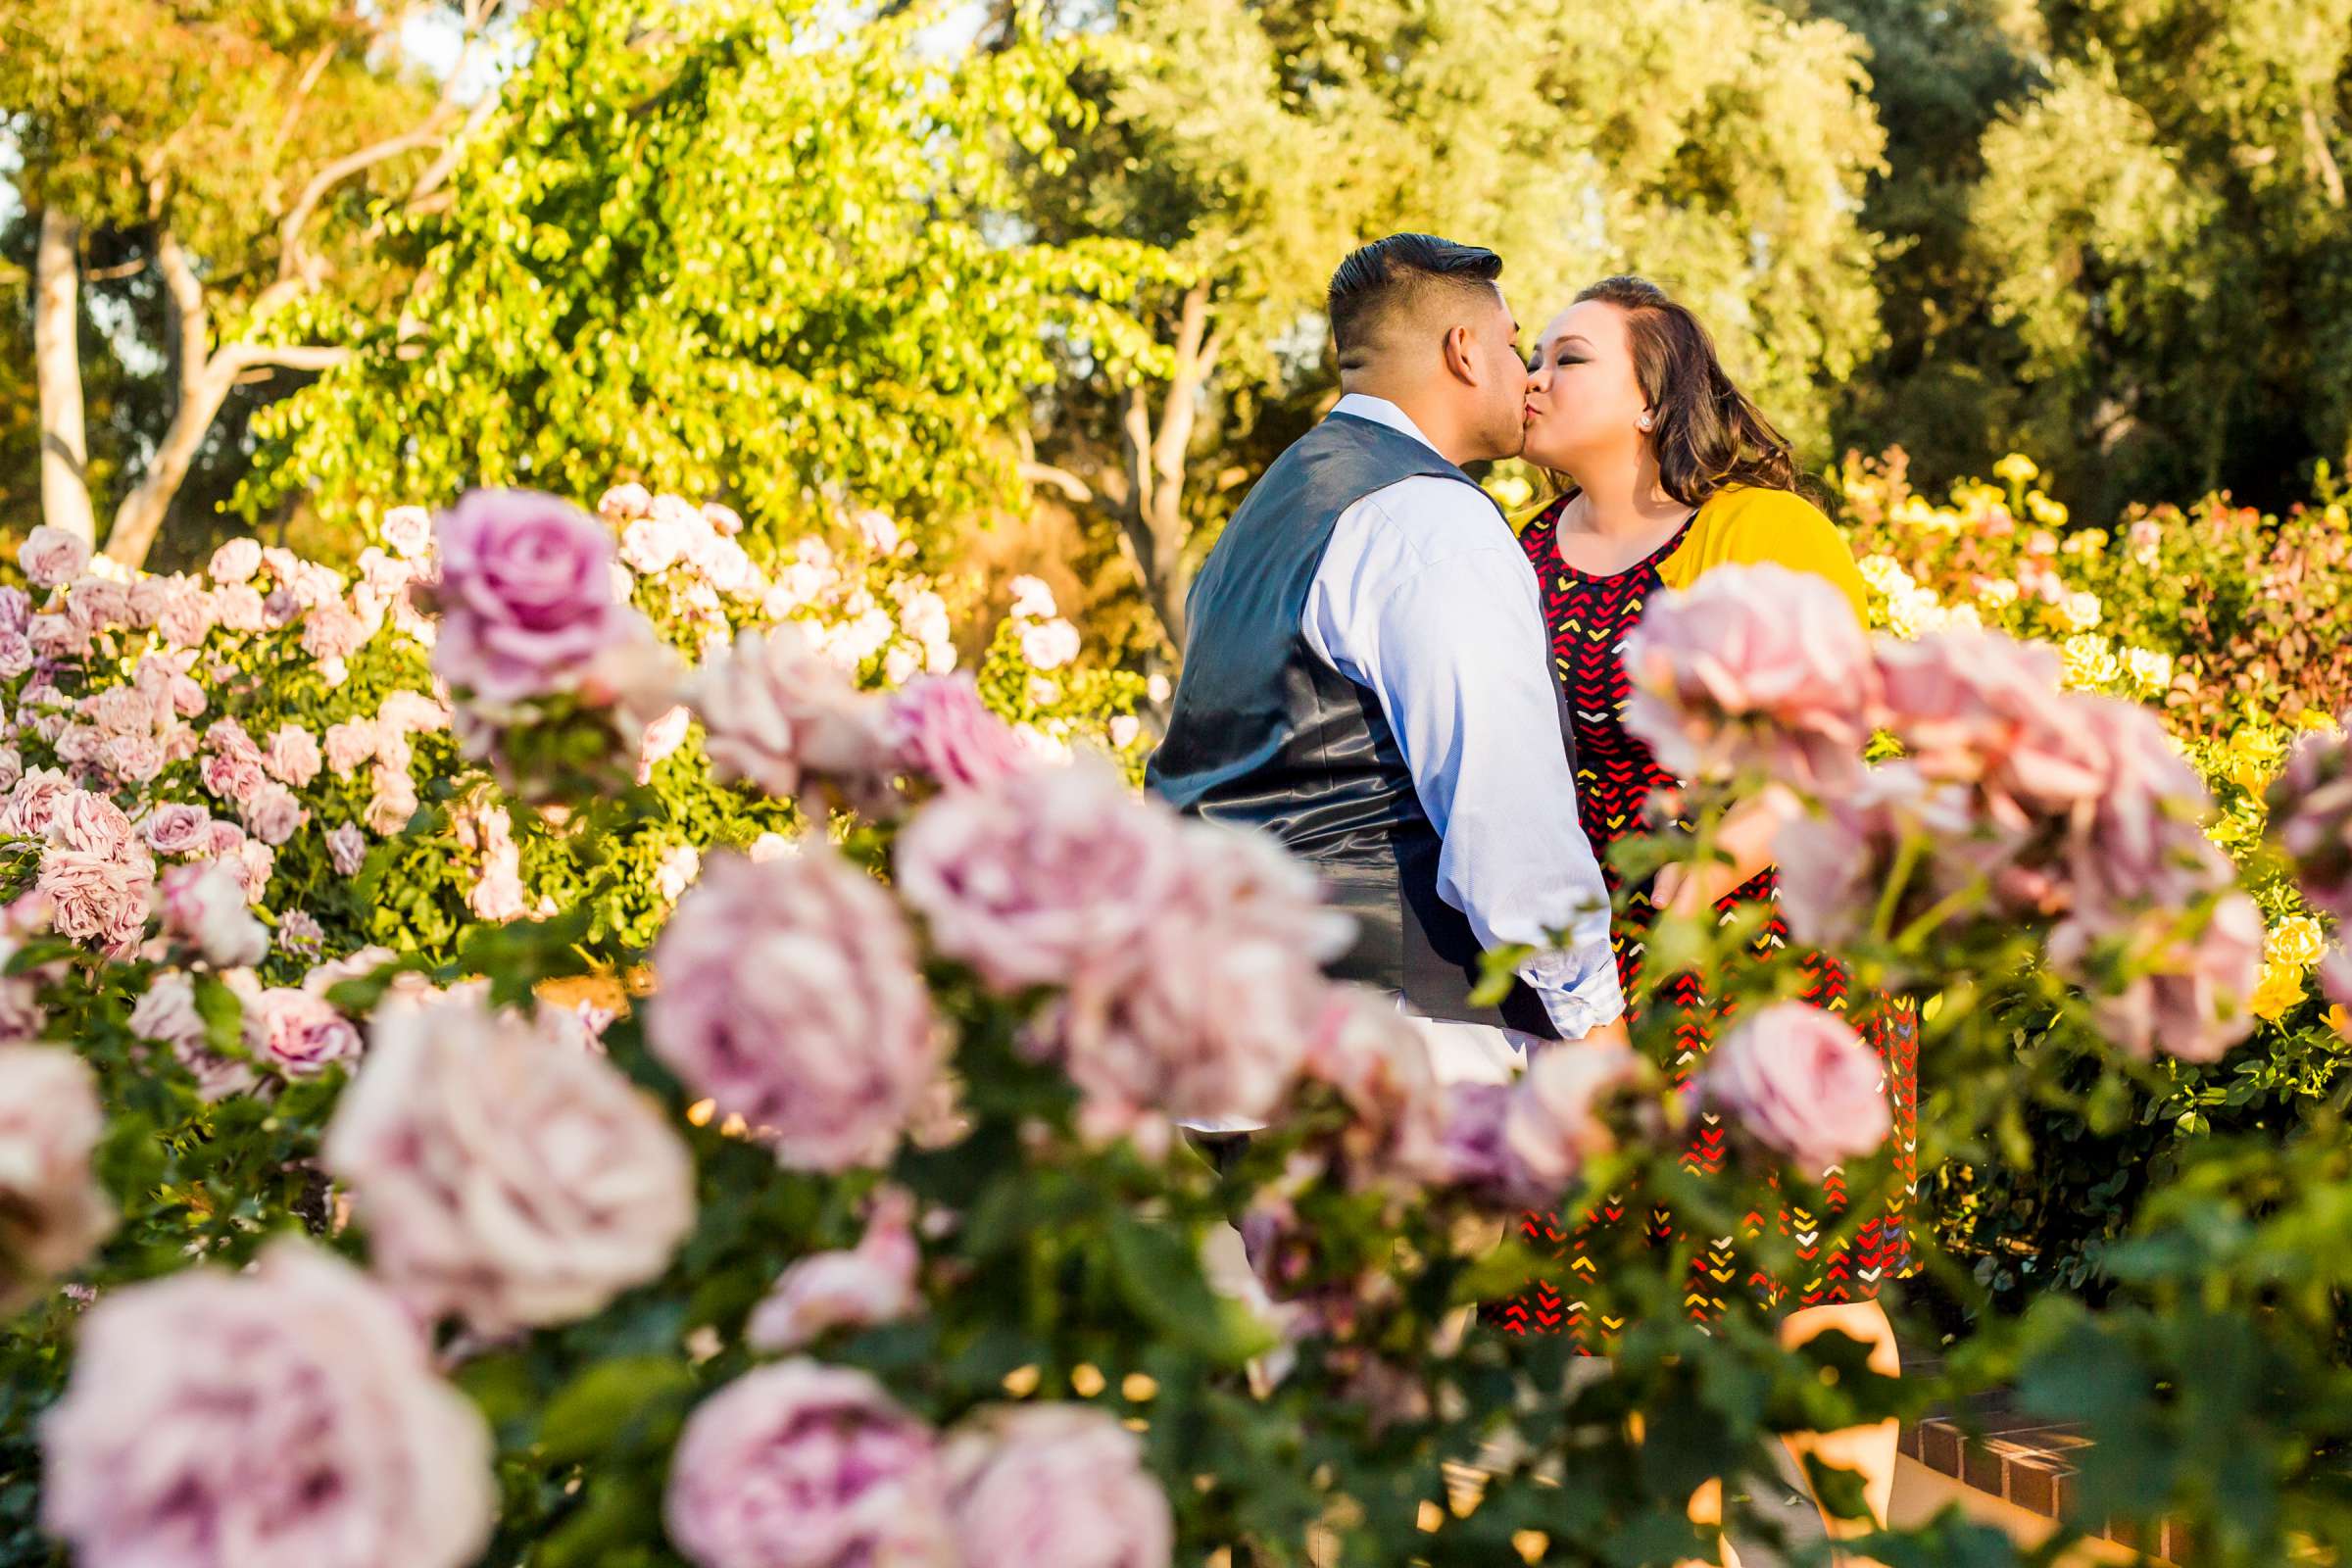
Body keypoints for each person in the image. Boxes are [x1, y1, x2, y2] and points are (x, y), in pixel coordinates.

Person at [1504, 273, 1918, 1562]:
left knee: (1809, 1286)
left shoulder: (1759, 527)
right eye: (1530, 354)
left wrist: (1705, 861)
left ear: (1646, 393)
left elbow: (1831, 725)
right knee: (1630, 1298)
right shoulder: (1521, 554)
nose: (1532, 376)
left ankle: (1830, 1550)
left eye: (1566, 358)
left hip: (1771, 962)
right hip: (1599, 976)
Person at [1148, 233, 1631, 1107]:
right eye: (1517, 344)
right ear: (1463, 351)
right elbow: (1503, 809)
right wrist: (1592, 1019)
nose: (1528, 374)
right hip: (1385, 1047)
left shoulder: (1268, 514)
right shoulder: (1430, 521)